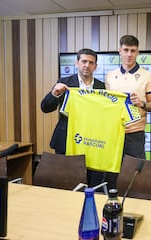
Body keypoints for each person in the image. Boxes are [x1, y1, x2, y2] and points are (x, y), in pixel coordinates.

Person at [40, 48, 106, 188]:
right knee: (65, 182)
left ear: (95, 66)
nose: (87, 65)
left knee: (90, 184)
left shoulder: (102, 87)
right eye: (83, 61)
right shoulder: (64, 83)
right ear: (77, 63)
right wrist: (54, 93)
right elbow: (45, 107)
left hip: (91, 141)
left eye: (91, 62)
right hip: (66, 141)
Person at [105, 35, 151, 187]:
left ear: (138, 52)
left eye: (132, 51)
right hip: (113, 133)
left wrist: (142, 103)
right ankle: (112, 205)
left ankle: (135, 205)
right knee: (112, 174)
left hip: (135, 134)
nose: (129, 54)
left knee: (136, 175)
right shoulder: (110, 76)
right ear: (119, 51)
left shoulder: (148, 76)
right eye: (126, 50)